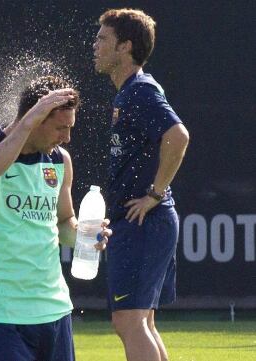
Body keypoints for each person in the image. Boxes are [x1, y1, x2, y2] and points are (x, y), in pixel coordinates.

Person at [0, 76, 111, 361]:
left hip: (54, 309)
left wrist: (86, 235)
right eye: (60, 128)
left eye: (70, 128)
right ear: (34, 119)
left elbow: (64, 224)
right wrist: (27, 123)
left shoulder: (59, 160)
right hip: (1, 313)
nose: (66, 137)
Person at [92, 8, 190, 361]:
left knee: (129, 320)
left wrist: (154, 194)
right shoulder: (128, 93)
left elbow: (178, 136)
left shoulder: (140, 90)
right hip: (143, 222)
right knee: (141, 321)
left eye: (103, 39)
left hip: (144, 221)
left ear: (125, 47)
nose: (95, 45)